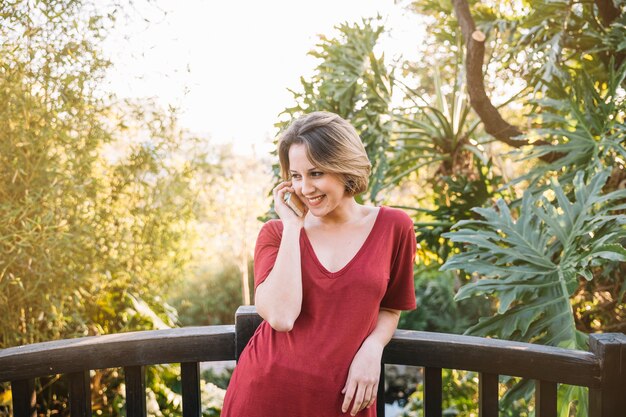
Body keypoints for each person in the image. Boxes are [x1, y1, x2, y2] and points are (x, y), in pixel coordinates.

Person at [221, 111, 417, 417]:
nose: (304, 189)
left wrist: (373, 347)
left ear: (344, 167)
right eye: (296, 176)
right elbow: (282, 318)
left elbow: (391, 307)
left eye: (315, 173)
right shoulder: (276, 233)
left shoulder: (395, 227)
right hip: (264, 396)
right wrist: (292, 227)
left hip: (344, 402)